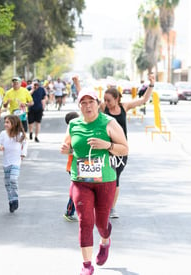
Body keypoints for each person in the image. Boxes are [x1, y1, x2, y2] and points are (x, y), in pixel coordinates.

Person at [60, 89, 128, 275]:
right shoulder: (74, 124)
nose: (88, 106)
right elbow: (68, 147)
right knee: (85, 221)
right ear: (79, 105)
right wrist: (66, 148)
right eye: (84, 102)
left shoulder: (109, 123)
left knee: (100, 223)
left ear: (98, 104)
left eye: (91, 102)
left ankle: (105, 240)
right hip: (81, 180)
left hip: (105, 180)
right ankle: (87, 264)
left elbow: (124, 149)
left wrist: (107, 145)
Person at [97, 73, 155, 219]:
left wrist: (151, 84)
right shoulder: (103, 108)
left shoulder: (125, 106)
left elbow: (144, 99)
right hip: (106, 148)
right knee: (106, 177)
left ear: (117, 99)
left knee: (116, 177)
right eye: (105, 100)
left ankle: (111, 208)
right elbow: (88, 101)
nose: (107, 102)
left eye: (109, 100)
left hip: (121, 150)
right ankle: (103, 204)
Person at [0, 115, 28, 213]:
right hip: (6, 162)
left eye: (8, 122)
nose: (5, 124)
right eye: (5, 122)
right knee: (7, 183)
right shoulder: (3, 134)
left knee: (13, 179)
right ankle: (11, 200)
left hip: (16, 162)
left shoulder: (19, 134)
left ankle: (15, 198)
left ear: (14, 124)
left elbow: (25, 143)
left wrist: (23, 153)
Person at [62, 111, 79, 222]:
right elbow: (68, 150)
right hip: (74, 165)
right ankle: (69, 211)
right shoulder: (72, 133)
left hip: (82, 165)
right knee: (77, 189)